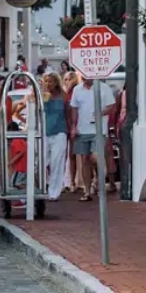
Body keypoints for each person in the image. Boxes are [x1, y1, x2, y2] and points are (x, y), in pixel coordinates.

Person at [69, 73, 99, 202]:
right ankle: (87, 190)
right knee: (84, 159)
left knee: (95, 157)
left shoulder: (102, 88)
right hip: (82, 130)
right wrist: (74, 127)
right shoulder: (77, 90)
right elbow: (74, 109)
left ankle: (97, 180)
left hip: (98, 130)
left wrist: (100, 114)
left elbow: (111, 107)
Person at [41, 73, 68, 201]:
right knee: (41, 162)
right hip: (44, 132)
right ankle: (40, 187)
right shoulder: (41, 95)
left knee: (57, 162)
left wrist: (71, 128)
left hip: (60, 132)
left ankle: (54, 192)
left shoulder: (63, 96)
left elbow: (68, 112)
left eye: (50, 81)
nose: (48, 84)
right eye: (46, 81)